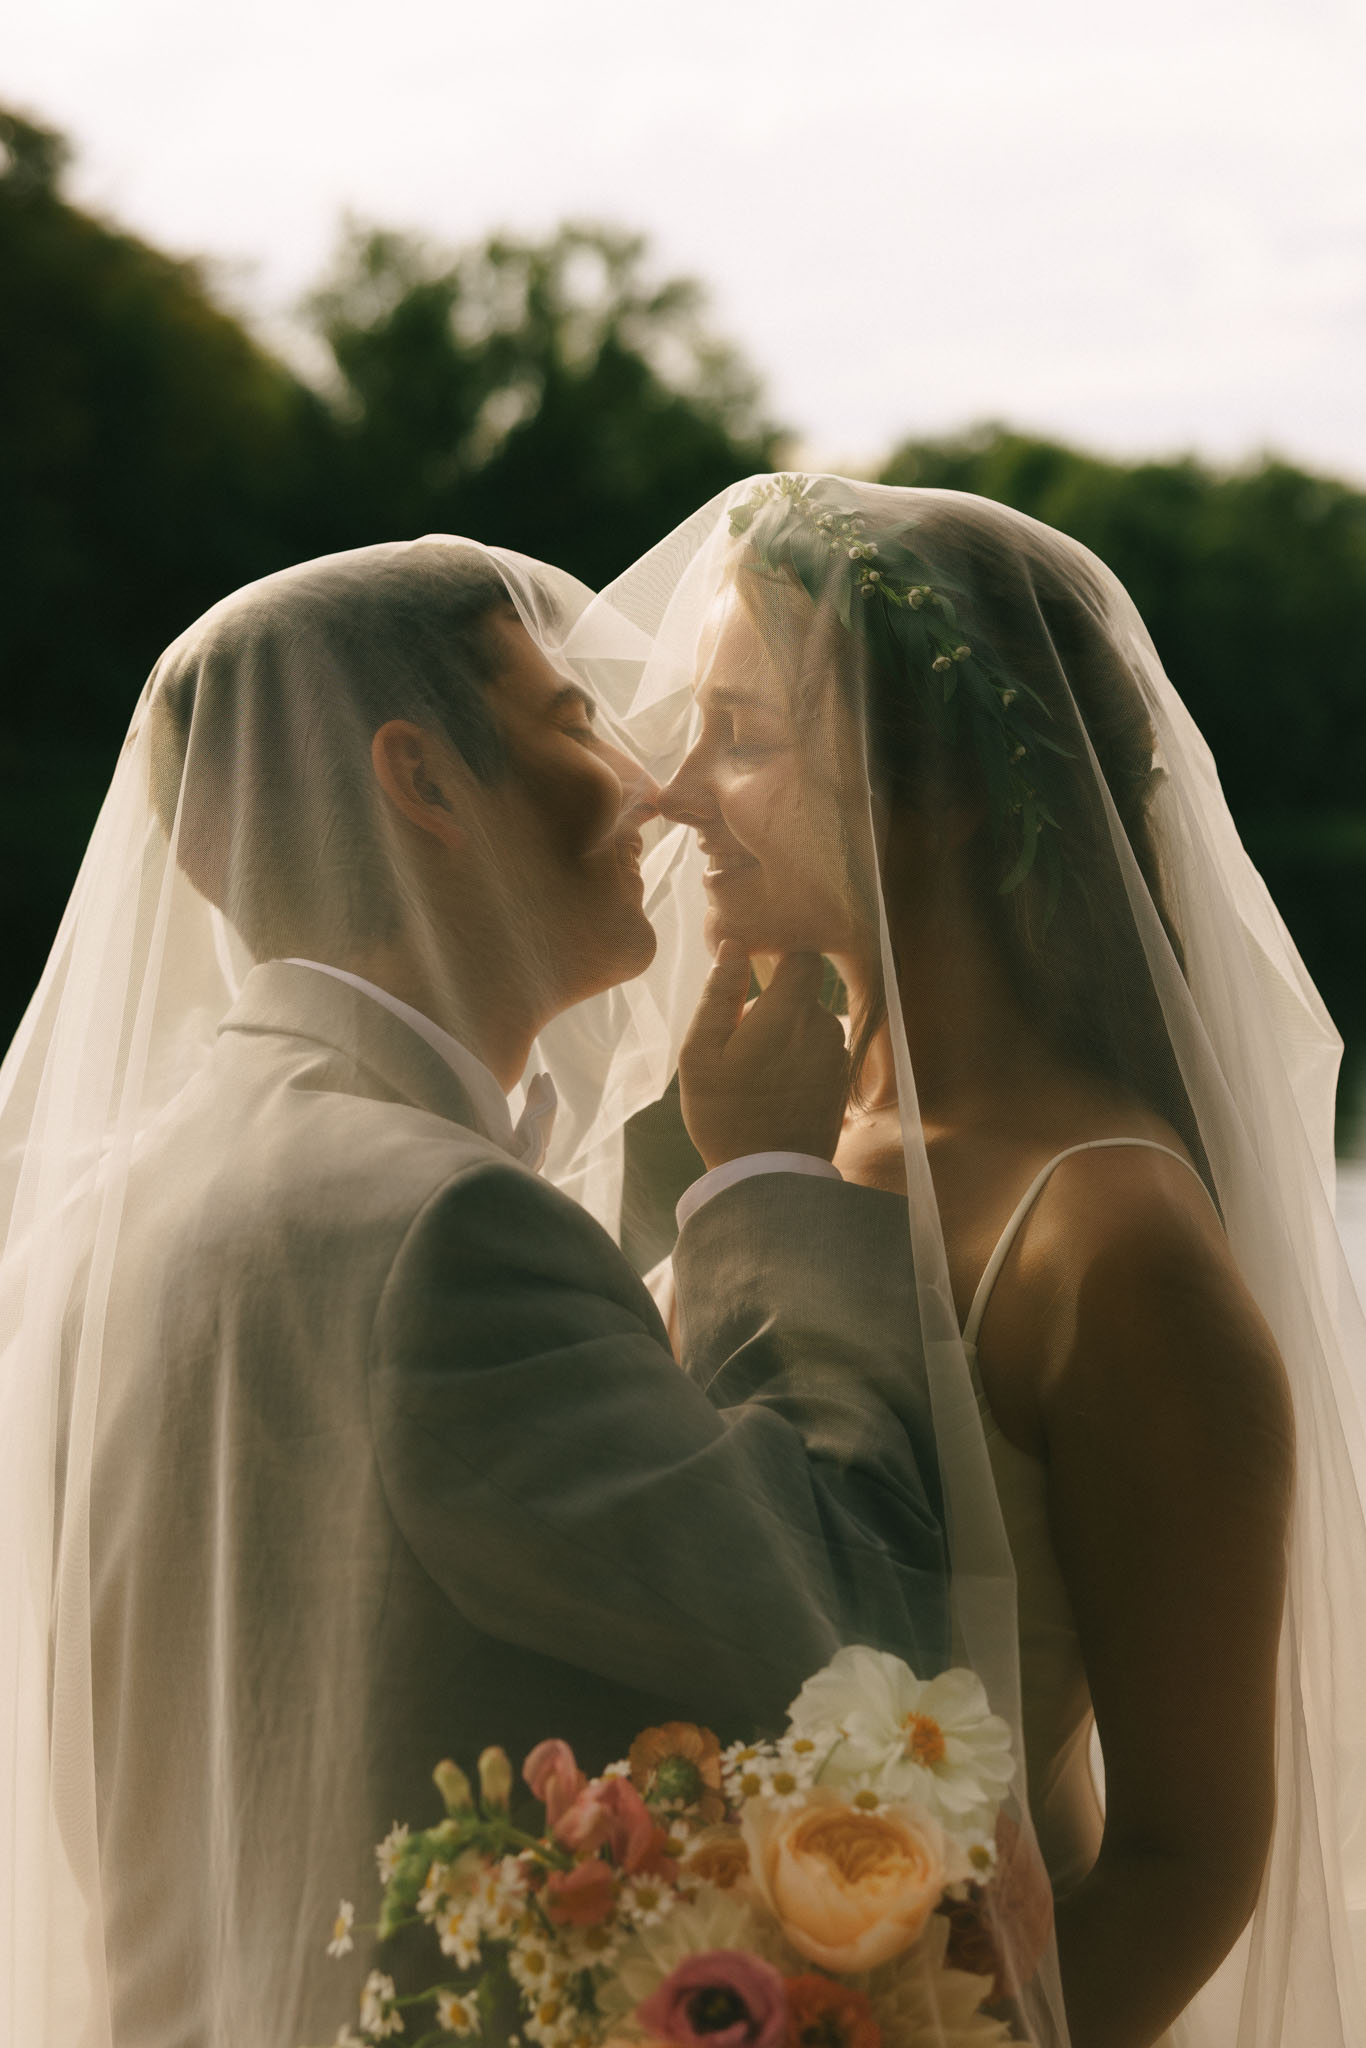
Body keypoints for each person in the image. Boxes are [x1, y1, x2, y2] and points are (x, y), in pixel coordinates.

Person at [0, 538, 954, 2048]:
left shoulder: (94, 1218)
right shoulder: (449, 1230)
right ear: (421, 782)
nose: (646, 788)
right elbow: (850, 1656)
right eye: (572, 721)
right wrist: (764, 1189)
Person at [573, 476, 1366, 2048]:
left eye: (740, 735)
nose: (667, 795)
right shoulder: (778, 1127)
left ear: (929, 789)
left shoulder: (1107, 1246)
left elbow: (1186, 1858)